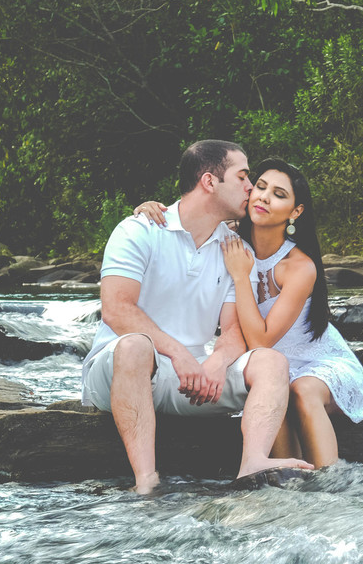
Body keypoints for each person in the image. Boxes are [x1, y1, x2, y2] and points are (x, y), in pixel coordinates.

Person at [82, 140, 313, 494]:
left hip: (191, 379)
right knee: (134, 348)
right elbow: (117, 309)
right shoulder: (138, 230)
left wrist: (218, 362)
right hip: (120, 371)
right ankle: (146, 481)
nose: (251, 189)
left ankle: (252, 462)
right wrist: (180, 354)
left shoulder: (236, 250)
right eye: (243, 177)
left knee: (270, 361)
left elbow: (235, 329)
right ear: (209, 182)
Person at [136, 158, 363, 468]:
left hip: (320, 364)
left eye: (279, 194)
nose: (263, 197)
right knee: (273, 390)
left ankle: (330, 486)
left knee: (301, 390)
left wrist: (241, 276)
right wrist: (151, 209)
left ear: (296, 212)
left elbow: (261, 340)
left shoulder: (299, 267)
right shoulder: (229, 237)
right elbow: (189, 215)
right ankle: (287, 486)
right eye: (260, 187)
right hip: (270, 369)